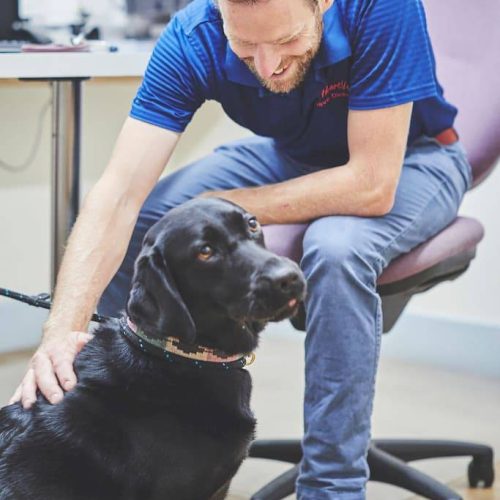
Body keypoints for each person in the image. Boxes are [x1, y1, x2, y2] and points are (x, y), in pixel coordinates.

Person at [10, 0, 472, 497]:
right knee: (157, 219)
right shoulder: (195, 35)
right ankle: (124, 429)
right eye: (245, 46)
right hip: (293, 158)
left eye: (287, 41)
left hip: (413, 160)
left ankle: (332, 483)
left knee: (336, 249)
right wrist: (60, 333)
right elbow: (119, 195)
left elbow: (370, 184)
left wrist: (221, 204)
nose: (269, 65)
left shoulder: (381, 8)